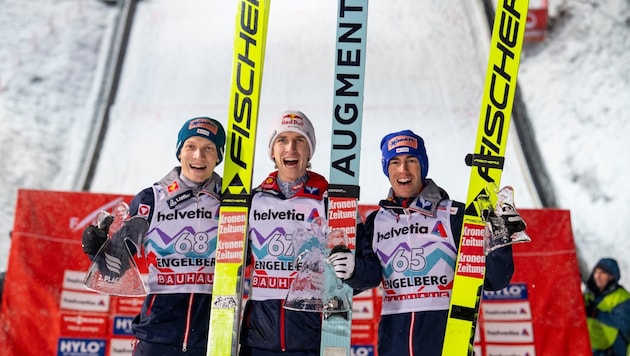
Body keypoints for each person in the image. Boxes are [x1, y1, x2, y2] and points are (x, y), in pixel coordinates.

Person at [344, 129, 515, 356]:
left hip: (448, 341)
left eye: (411, 161)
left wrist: (500, 236)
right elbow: (364, 280)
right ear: (387, 169)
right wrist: (347, 269)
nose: (403, 169)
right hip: (394, 345)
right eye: (394, 162)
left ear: (422, 166)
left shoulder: (454, 214)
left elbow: (495, 279)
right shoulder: (377, 222)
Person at [238, 110, 380, 356]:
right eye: (282, 140)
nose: (290, 147)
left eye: (300, 140)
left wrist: (352, 272)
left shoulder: (332, 202)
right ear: (272, 151)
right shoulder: (253, 201)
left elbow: (371, 273)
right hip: (258, 344)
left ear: (310, 151)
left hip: (314, 342)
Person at [81, 117, 226, 356]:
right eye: (191, 146)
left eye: (208, 148)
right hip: (157, 338)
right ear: (180, 152)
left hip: (213, 340)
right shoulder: (152, 199)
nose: (199, 155)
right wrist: (97, 248)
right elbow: (114, 269)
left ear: (218, 156)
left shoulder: (232, 202)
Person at [584, 257, 630, 356]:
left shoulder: (621, 297)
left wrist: (596, 314)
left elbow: (624, 324)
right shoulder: (590, 294)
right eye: (596, 272)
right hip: (589, 348)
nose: (597, 276)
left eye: (602, 273)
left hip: (612, 351)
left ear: (612, 277)